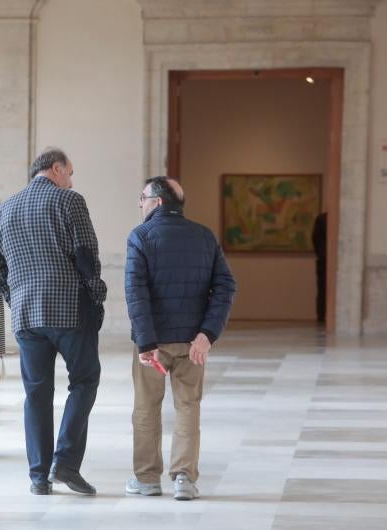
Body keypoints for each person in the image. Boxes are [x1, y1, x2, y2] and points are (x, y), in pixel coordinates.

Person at [0, 147, 106, 496]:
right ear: (55, 169)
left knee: (36, 394)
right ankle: (65, 462)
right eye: (70, 172)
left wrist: (15, 295)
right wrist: (96, 293)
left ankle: (39, 476)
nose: (71, 180)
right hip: (69, 309)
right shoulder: (69, 202)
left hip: (26, 314)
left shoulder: (4, 209)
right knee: (84, 380)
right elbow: (86, 254)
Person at [124, 177, 236, 500]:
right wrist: (206, 335)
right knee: (188, 407)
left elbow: (135, 293)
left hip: (153, 345)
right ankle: (184, 478)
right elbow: (226, 286)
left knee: (146, 408)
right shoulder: (204, 236)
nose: (141, 204)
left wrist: (146, 343)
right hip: (192, 344)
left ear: (157, 201)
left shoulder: (140, 237)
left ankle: (146, 479)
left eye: (142, 198)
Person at [312, 212, 327, 323]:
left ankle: (321, 316)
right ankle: (322, 316)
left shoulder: (322, 218)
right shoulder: (323, 219)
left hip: (323, 258)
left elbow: (315, 238)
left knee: (322, 289)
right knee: (322, 289)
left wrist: (320, 253)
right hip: (324, 258)